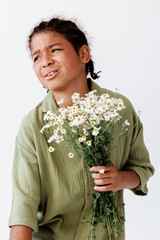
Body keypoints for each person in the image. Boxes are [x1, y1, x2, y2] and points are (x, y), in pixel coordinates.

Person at [9, 17, 154, 240]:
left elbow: (142, 168)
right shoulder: (33, 126)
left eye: (54, 50)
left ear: (83, 54)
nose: (45, 61)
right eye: (36, 57)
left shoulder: (119, 109)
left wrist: (120, 179)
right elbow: (23, 206)